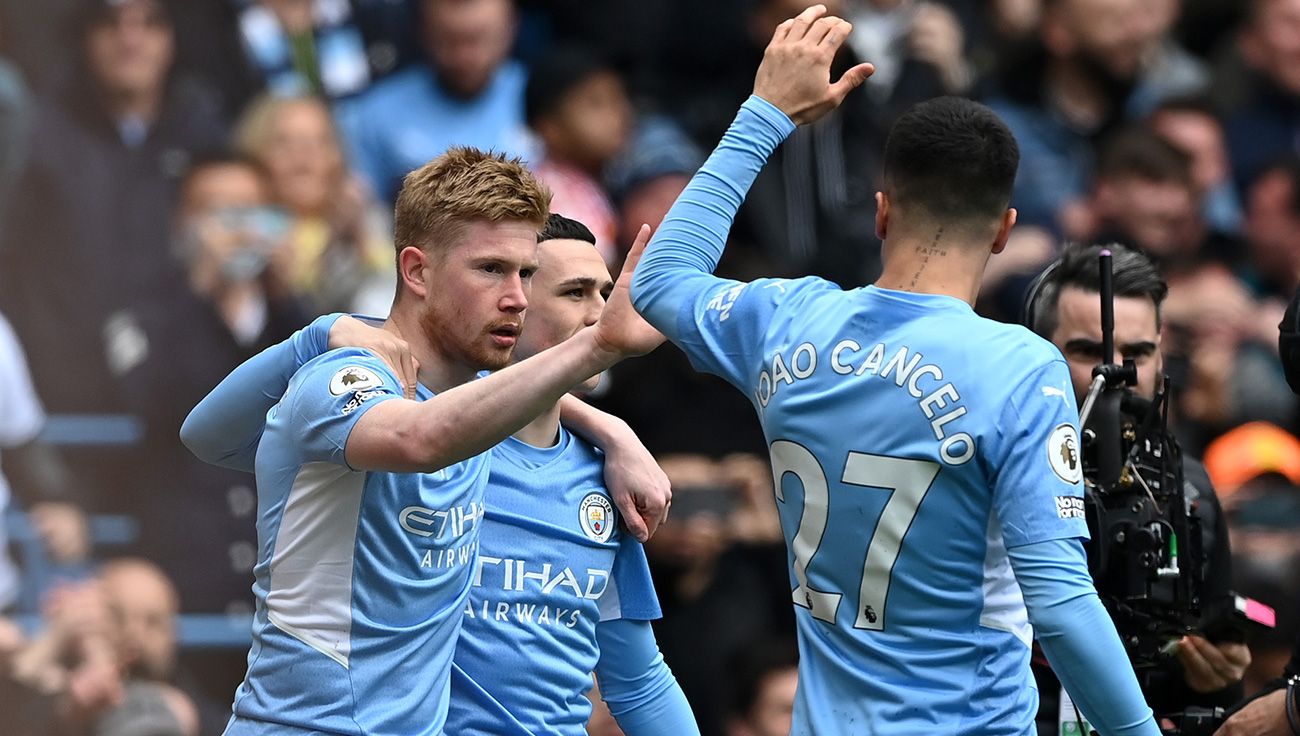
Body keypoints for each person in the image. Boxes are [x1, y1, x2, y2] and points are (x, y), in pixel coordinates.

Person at [629, 5, 1160, 734]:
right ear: (1004, 231)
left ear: (881, 213)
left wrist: (764, 115)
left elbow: (659, 281)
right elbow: (1063, 609)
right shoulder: (1019, 369)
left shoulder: (787, 322)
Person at [179, 146, 668, 735]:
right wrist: (594, 347)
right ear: (416, 271)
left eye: (527, 274)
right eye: (490, 269)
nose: (517, 296)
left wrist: (612, 428)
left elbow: (487, 401)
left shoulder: (480, 400)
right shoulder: (342, 378)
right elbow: (420, 438)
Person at [1025, 242, 1251, 726]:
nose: (1117, 372)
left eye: (1139, 353)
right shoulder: (999, 477)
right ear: (1036, 351)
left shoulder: (1190, 490)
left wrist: (1220, 675)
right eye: (1088, 351)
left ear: (1162, 354)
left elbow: (1214, 681)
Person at [335, 0, 531, 204]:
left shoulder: (541, 100)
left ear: (511, 26)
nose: (464, 57)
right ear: (423, 31)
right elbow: (362, 212)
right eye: (449, 40)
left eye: (477, 39)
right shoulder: (376, 113)